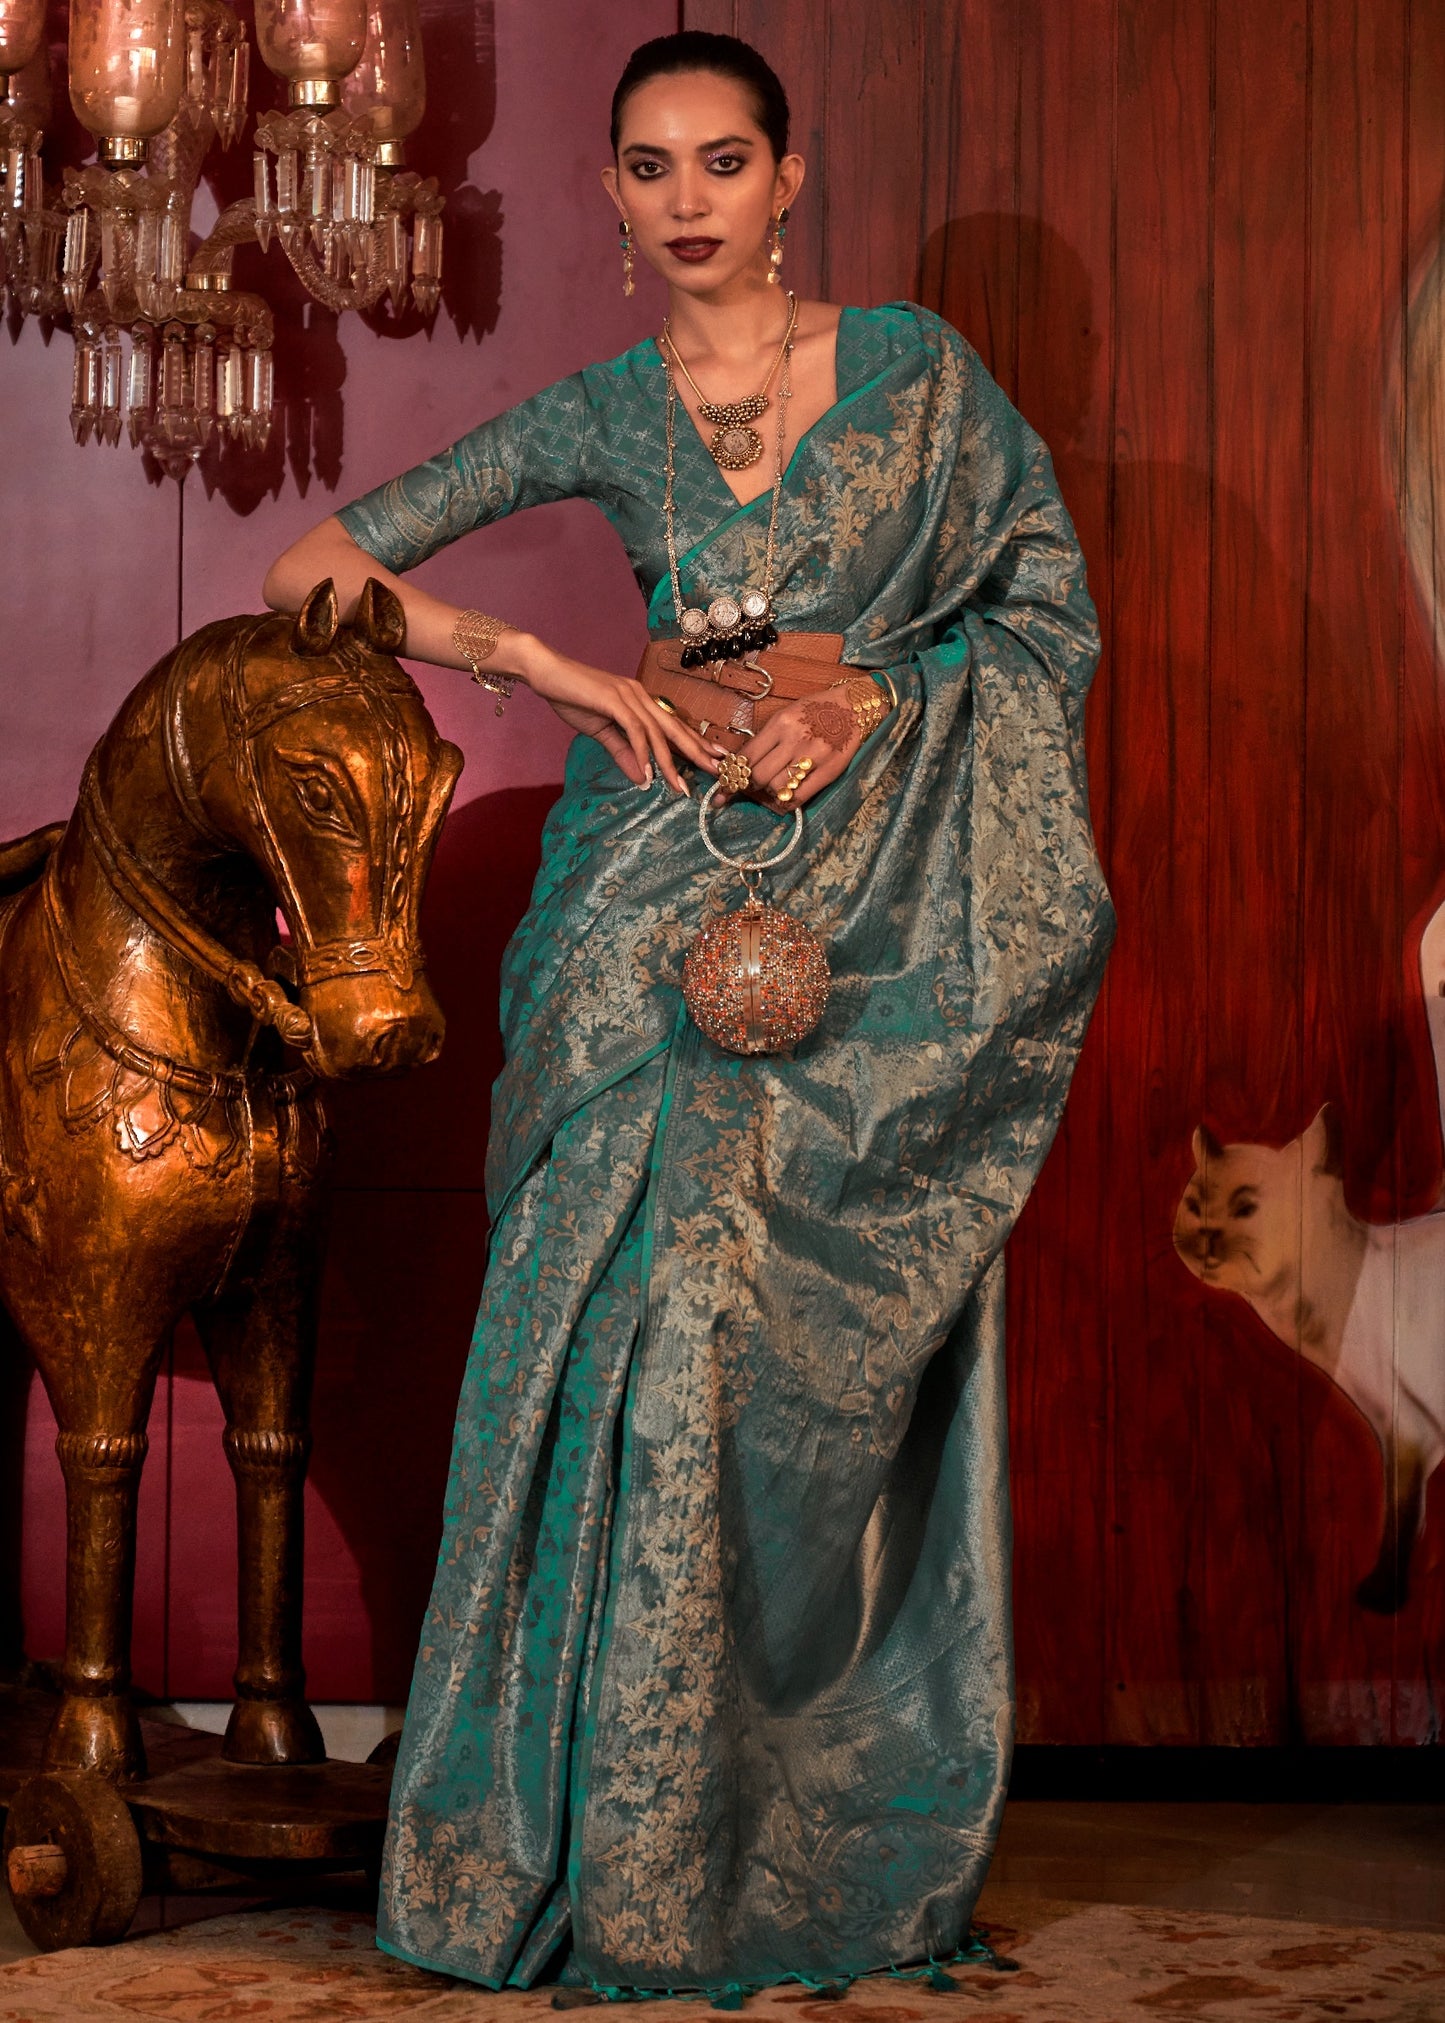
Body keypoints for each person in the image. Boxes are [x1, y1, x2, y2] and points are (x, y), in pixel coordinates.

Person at [265, 29, 1113, 2000]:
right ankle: (583, 1837)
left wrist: (877, 699)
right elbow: (320, 563)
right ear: (616, 202)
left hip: (875, 885)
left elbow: (1039, 608)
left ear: (790, 176)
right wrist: (542, 660)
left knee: (770, 1347)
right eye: (650, 169)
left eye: (724, 160)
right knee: (601, 1314)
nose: (689, 200)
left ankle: (761, 1830)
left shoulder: (916, 378)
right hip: (639, 890)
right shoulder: (606, 407)